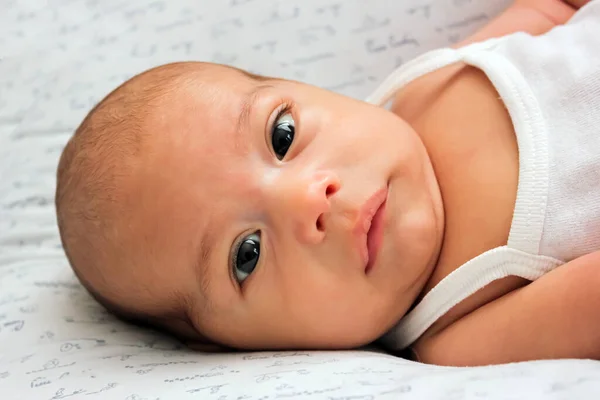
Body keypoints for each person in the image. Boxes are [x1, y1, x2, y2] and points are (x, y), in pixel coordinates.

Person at [55, 0, 600, 366]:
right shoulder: (461, 333)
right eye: (246, 254)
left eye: (283, 135)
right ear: (238, 347)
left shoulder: (430, 82)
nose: (307, 201)